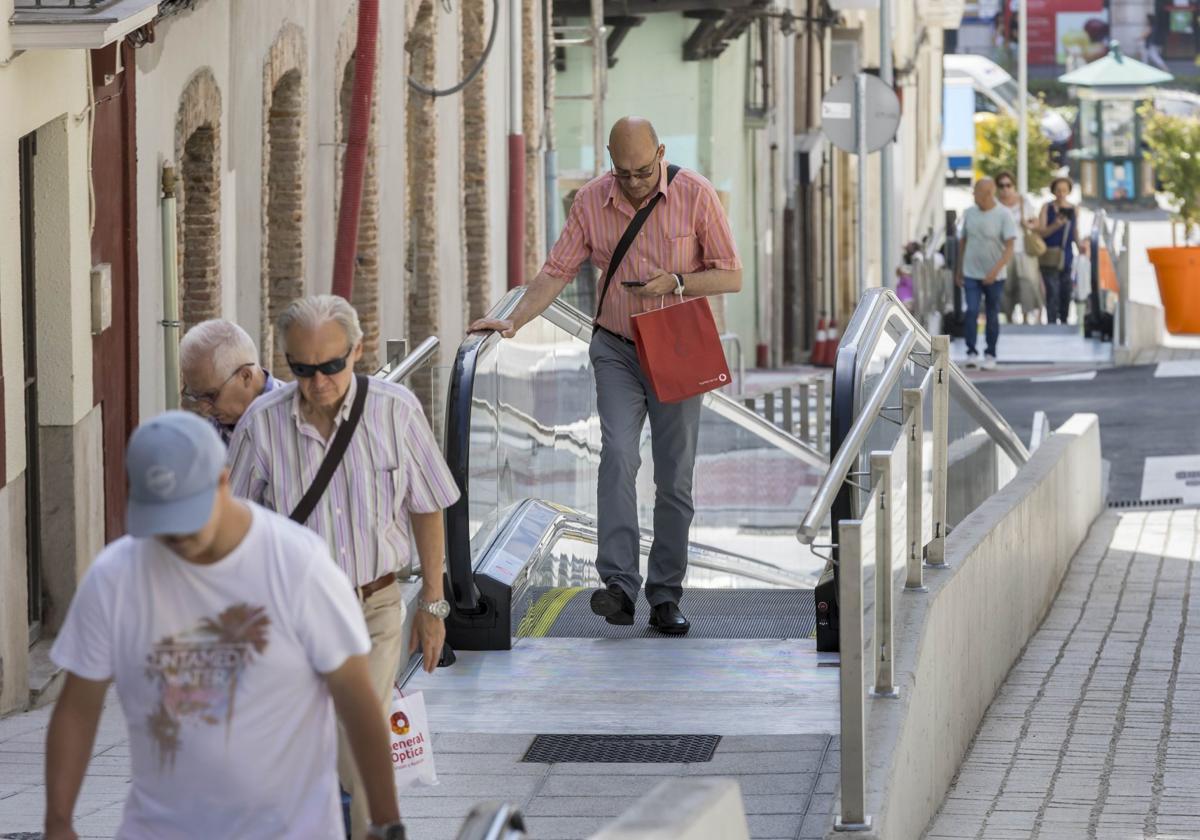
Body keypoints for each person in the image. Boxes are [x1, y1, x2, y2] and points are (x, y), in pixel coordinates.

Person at [43, 411, 407, 840]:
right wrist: (59, 822)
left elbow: (357, 699)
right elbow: (77, 707)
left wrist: (386, 822)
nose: (175, 537)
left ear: (223, 481)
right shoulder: (114, 578)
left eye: (187, 516)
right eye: (161, 522)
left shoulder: (297, 564)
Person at [468, 116, 742, 636]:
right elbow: (556, 271)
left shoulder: (697, 195)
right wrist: (513, 321)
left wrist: (678, 280)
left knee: (674, 477)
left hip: (679, 346)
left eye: (643, 171)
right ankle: (618, 586)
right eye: (623, 173)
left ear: (660, 153)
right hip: (616, 347)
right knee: (617, 454)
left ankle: (666, 595)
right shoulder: (592, 201)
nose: (634, 183)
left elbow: (732, 274)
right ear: (609, 163)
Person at [228, 293, 458, 840]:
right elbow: (231, 528)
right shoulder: (261, 426)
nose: (318, 383)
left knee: (359, 735)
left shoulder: (396, 410)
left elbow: (428, 506)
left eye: (331, 366)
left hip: (374, 606)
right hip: (292, 613)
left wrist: (432, 603)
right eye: (302, 370)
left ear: (357, 351)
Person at [180, 319, 280, 444]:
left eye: (211, 395)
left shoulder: (298, 424)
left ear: (245, 376)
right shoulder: (209, 433)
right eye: (195, 396)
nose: (203, 408)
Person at [955, 177, 1017, 370]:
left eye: (976, 192)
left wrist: (995, 271)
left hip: (994, 276)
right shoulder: (969, 213)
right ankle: (971, 352)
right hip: (971, 272)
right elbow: (963, 241)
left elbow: (1009, 248)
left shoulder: (1004, 215)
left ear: (988, 193)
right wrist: (959, 269)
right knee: (971, 310)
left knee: (991, 314)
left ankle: (990, 354)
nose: (973, 195)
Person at [1033, 176, 1089, 325]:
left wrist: (1079, 246)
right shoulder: (1047, 208)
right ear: (1053, 191)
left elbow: (1075, 231)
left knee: (1066, 290)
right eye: (1058, 190)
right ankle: (1052, 323)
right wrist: (1056, 225)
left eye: (1064, 190)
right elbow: (1041, 232)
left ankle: (1064, 321)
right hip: (1050, 254)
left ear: (1069, 191)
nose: (1061, 193)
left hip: (1067, 255)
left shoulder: (1073, 209)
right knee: (1052, 291)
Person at [994, 171, 1044, 325]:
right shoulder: (994, 204)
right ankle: (1008, 316)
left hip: (1023, 250)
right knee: (1007, 285)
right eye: (1001, 186)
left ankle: (1025, 316)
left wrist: (1027, 224)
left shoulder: (1023, 202)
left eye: (1008, 185)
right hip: (1003, 251)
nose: (1005, 189)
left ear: (1013, 186)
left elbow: (1036, 223)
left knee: (1027, 283)